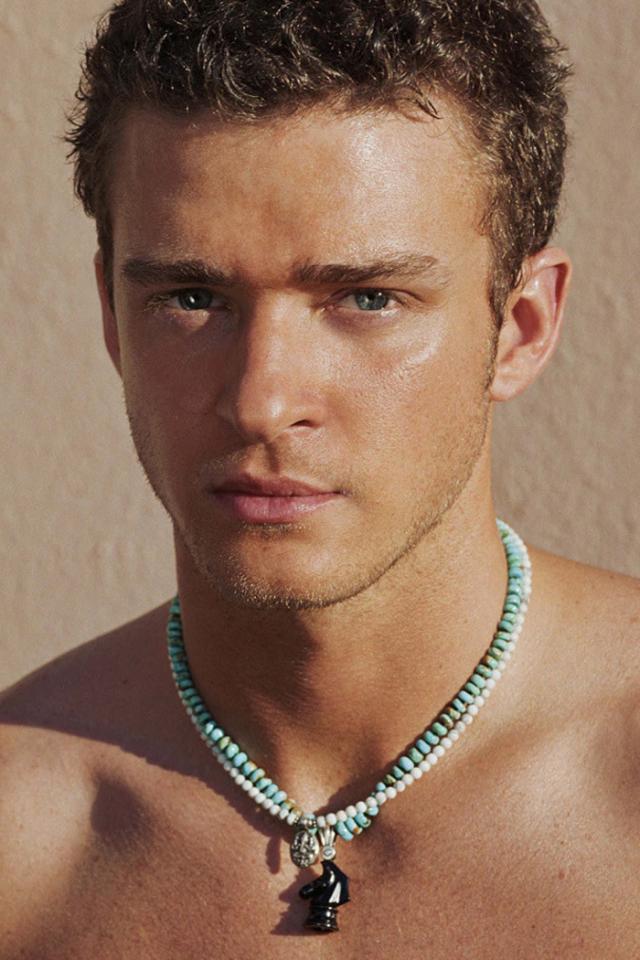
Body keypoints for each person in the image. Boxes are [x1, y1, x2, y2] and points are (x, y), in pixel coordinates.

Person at [1, 0, 638, 955]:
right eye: (190, 297)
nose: (261, 401)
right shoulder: (22, 834)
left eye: (368, 298)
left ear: (521, 328)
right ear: (110, 316)